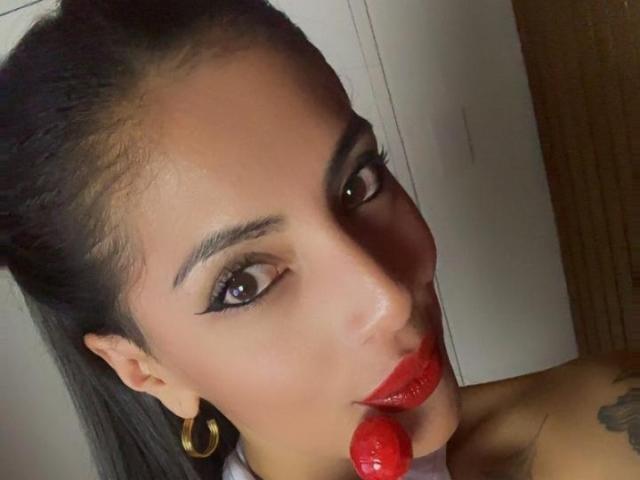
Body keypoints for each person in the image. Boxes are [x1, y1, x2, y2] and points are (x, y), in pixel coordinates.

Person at [2, 1, 637, 479]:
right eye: (244, 283)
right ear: (145, 370)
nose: (388, 297)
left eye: (358, 184)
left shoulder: (601, 435)